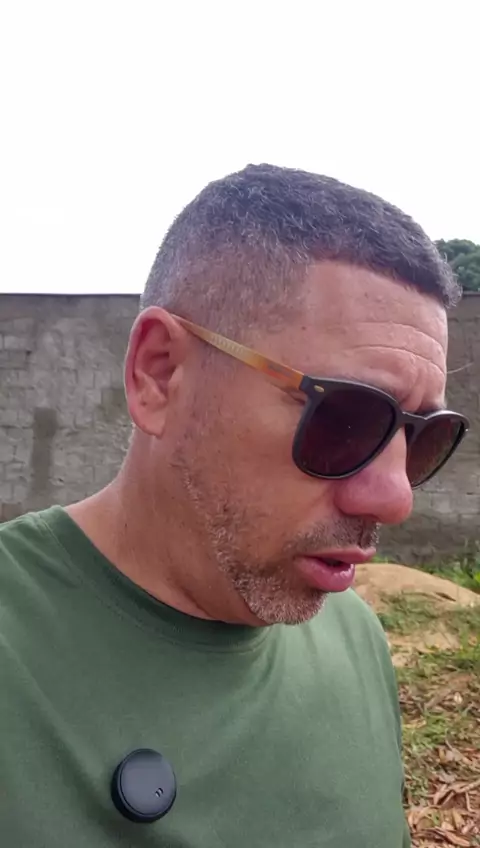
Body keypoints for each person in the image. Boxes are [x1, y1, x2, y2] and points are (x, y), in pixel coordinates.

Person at [0, 164, 468, 848]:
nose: (396, 497)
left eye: (424, 437)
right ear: (160, 374)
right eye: (345, 418)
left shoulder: (356, 639)